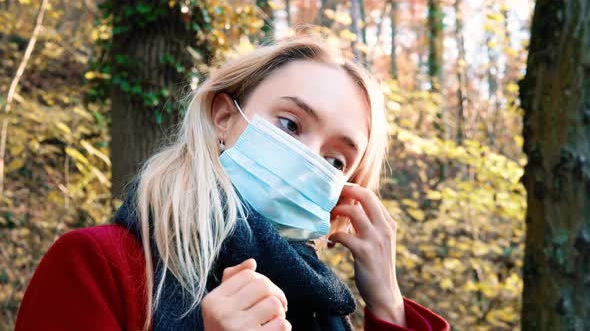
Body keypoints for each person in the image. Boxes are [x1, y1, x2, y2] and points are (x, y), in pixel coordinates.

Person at [15, 36, 449, 331]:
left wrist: (389, 305)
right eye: (290, 124)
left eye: (336, 159)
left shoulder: (323, 310)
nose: (307, 161)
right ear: (224, 116)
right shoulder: (98, 266)